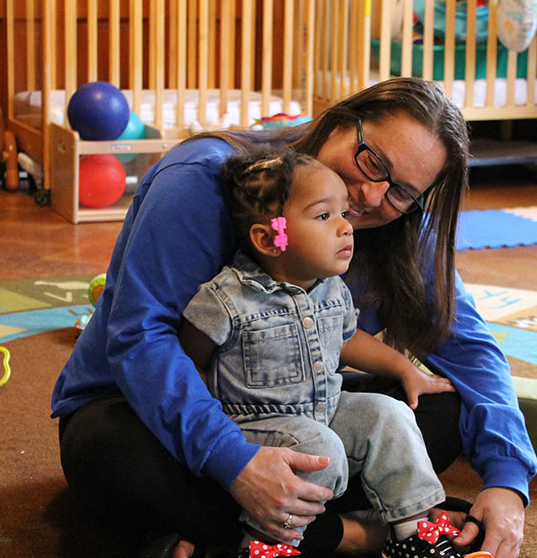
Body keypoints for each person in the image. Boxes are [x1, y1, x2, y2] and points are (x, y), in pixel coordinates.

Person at [51, 78, 537, 558]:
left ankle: (233, 533)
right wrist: (234, 461)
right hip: (141, 409)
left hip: (300, 417)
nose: (371, 195)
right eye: (371, 161)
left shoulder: (403, 222)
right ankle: (350, 535)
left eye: (401, 192)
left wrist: (508, 482)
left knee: (437, 408)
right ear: (340, 122)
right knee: (109, 454)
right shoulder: (201, 179)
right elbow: (142, 338)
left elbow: (470, 347)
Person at [178, 146, 463, 558]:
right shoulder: (227, 297)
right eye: (324, 216)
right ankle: (265, 543)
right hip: (253, 425)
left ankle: (412, 531)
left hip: (323, 408)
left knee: (391, 414)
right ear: (270, 238)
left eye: (344, 214)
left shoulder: (330, 287)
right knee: (320, 450)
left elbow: (347, 340)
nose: (346, 227)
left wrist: (405, 370)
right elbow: (187, 356)